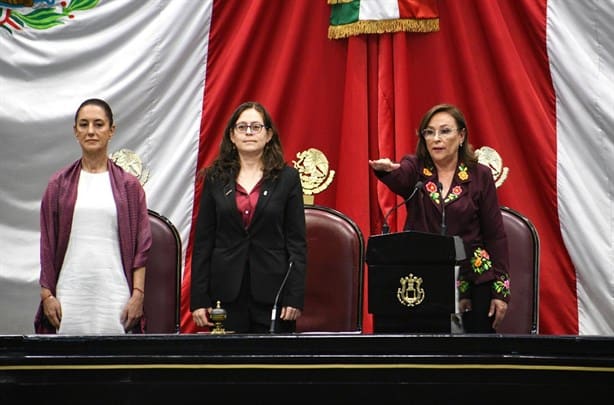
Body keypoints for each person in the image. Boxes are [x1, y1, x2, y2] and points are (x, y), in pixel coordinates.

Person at [368, 103, 510, 333]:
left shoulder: (479, 175)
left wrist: (501, 291)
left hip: (473, 279)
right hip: (425, 278)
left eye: (445, 131)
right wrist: (386, 171)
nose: (436, 138)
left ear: (461, 135)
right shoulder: (415, 169)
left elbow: (496, 235)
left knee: (472, 358)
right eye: (429, 132)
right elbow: (400, 176)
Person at [34, 98, 152, 334]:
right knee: (69, 367)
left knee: (115, 367)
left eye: (98, 124)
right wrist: (47, 295)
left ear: (111, 131)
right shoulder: (59, 184)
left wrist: (137, 295)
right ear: (75, 131)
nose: (91, 131)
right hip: (69, 296)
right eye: (84, 124)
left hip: (116, 296)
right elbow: (47, 245)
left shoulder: (129, 186)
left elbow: (142, 246)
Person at [190, 101, 307, 333]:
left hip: (274, 294)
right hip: (225, 296)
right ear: (232, 136)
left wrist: (294, 296)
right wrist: (199, 299)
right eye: (242, 127)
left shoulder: (287, 178)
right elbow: (203, 242)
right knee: (228, 367)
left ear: (269, 134)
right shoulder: (215, 177)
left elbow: (297, 243)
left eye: (256, 127)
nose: (249, 133)